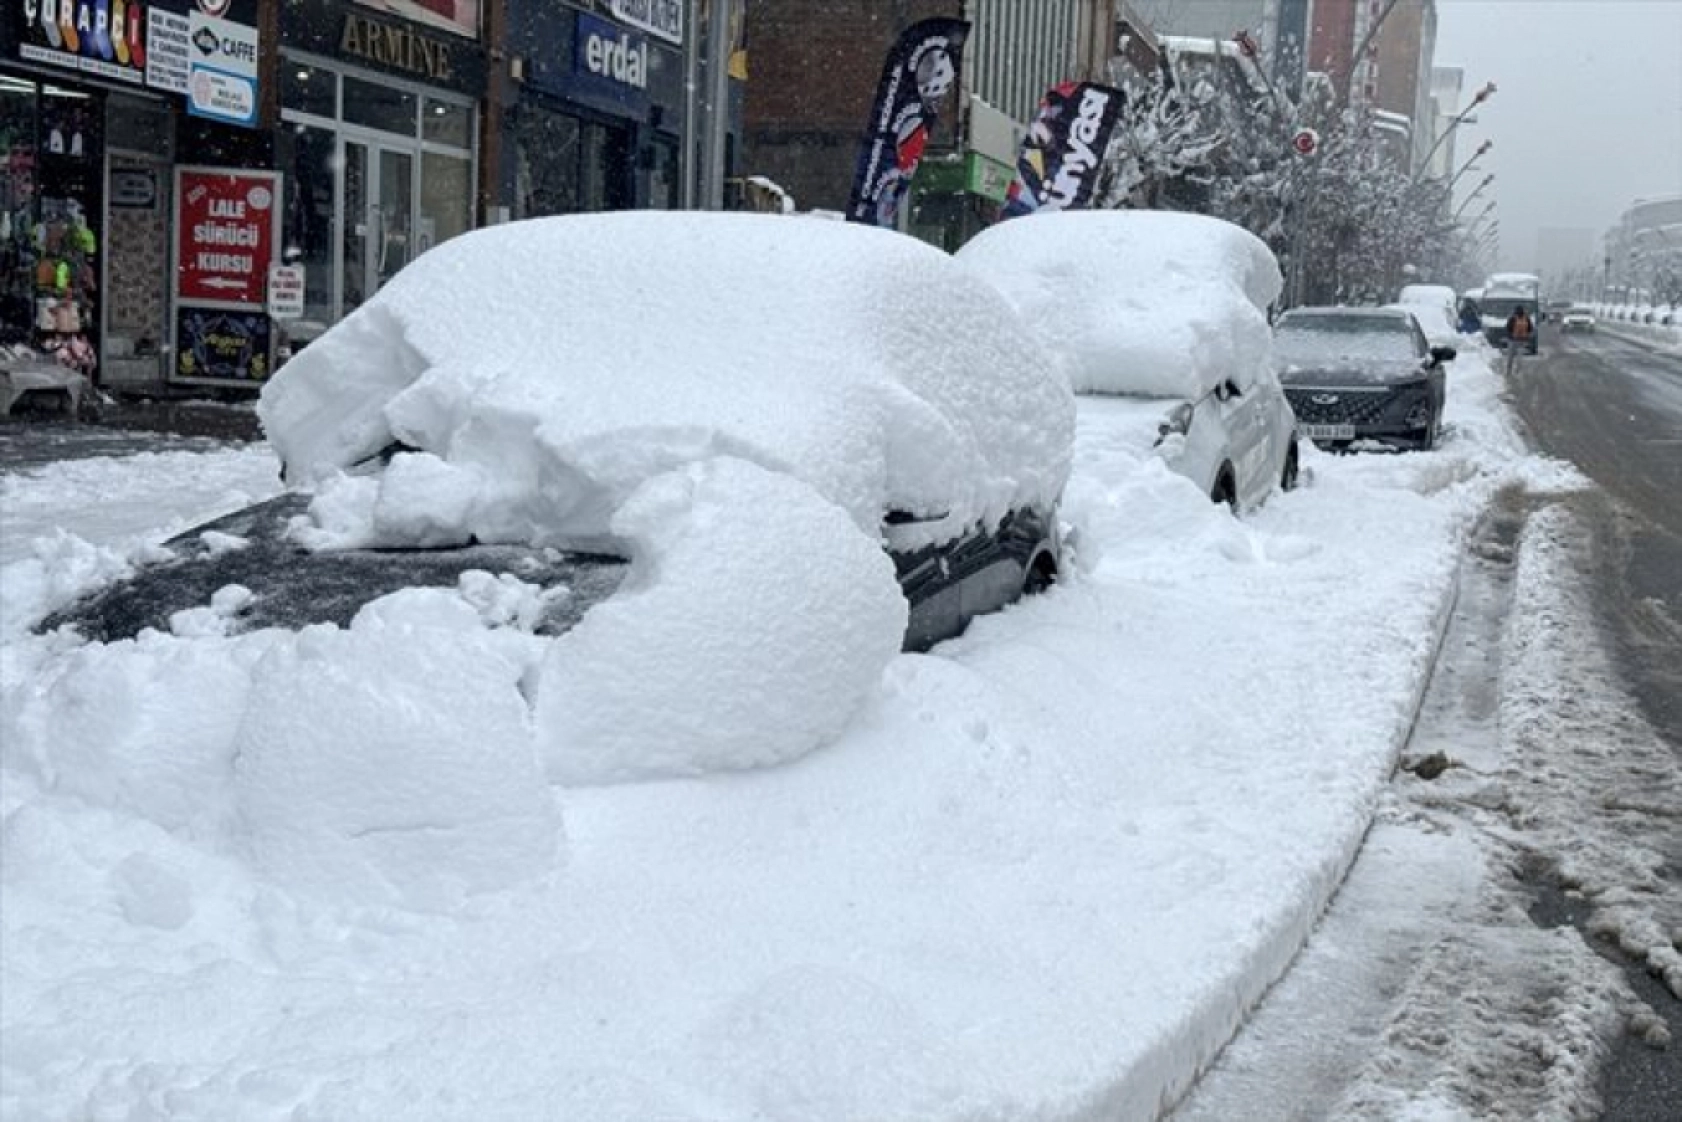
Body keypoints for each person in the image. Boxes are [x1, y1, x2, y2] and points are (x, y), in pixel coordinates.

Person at [1504, 305, 1534, 374]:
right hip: (1515, 340)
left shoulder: (1525, 318)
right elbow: (1508, 328)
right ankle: (1510, 370)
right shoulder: (1514, 318)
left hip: (1519, 341)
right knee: (1514, 357)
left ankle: (1515, 371)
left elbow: (1530, 328)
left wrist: (1528, 335)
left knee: (1516, 358)